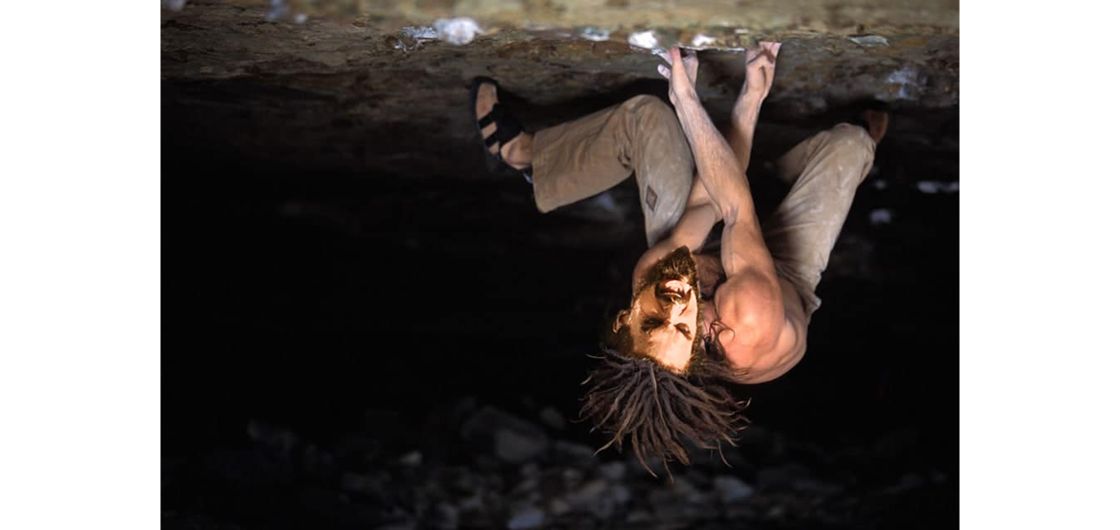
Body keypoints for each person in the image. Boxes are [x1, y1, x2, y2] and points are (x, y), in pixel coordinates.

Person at [471, 43, 888, 474]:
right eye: (682, 328)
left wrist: (690, 98)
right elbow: (736, 208)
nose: (673, 302)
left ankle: (532, 159)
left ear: (627, 320)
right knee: (850, 144)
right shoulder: (748, 323)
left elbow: (710, 201)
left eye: (652, 320)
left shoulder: (652, 280)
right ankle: (794, 169)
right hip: (781, 275)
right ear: (700, 343)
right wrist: (726, 95)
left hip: (721, 242)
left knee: (648, 117)